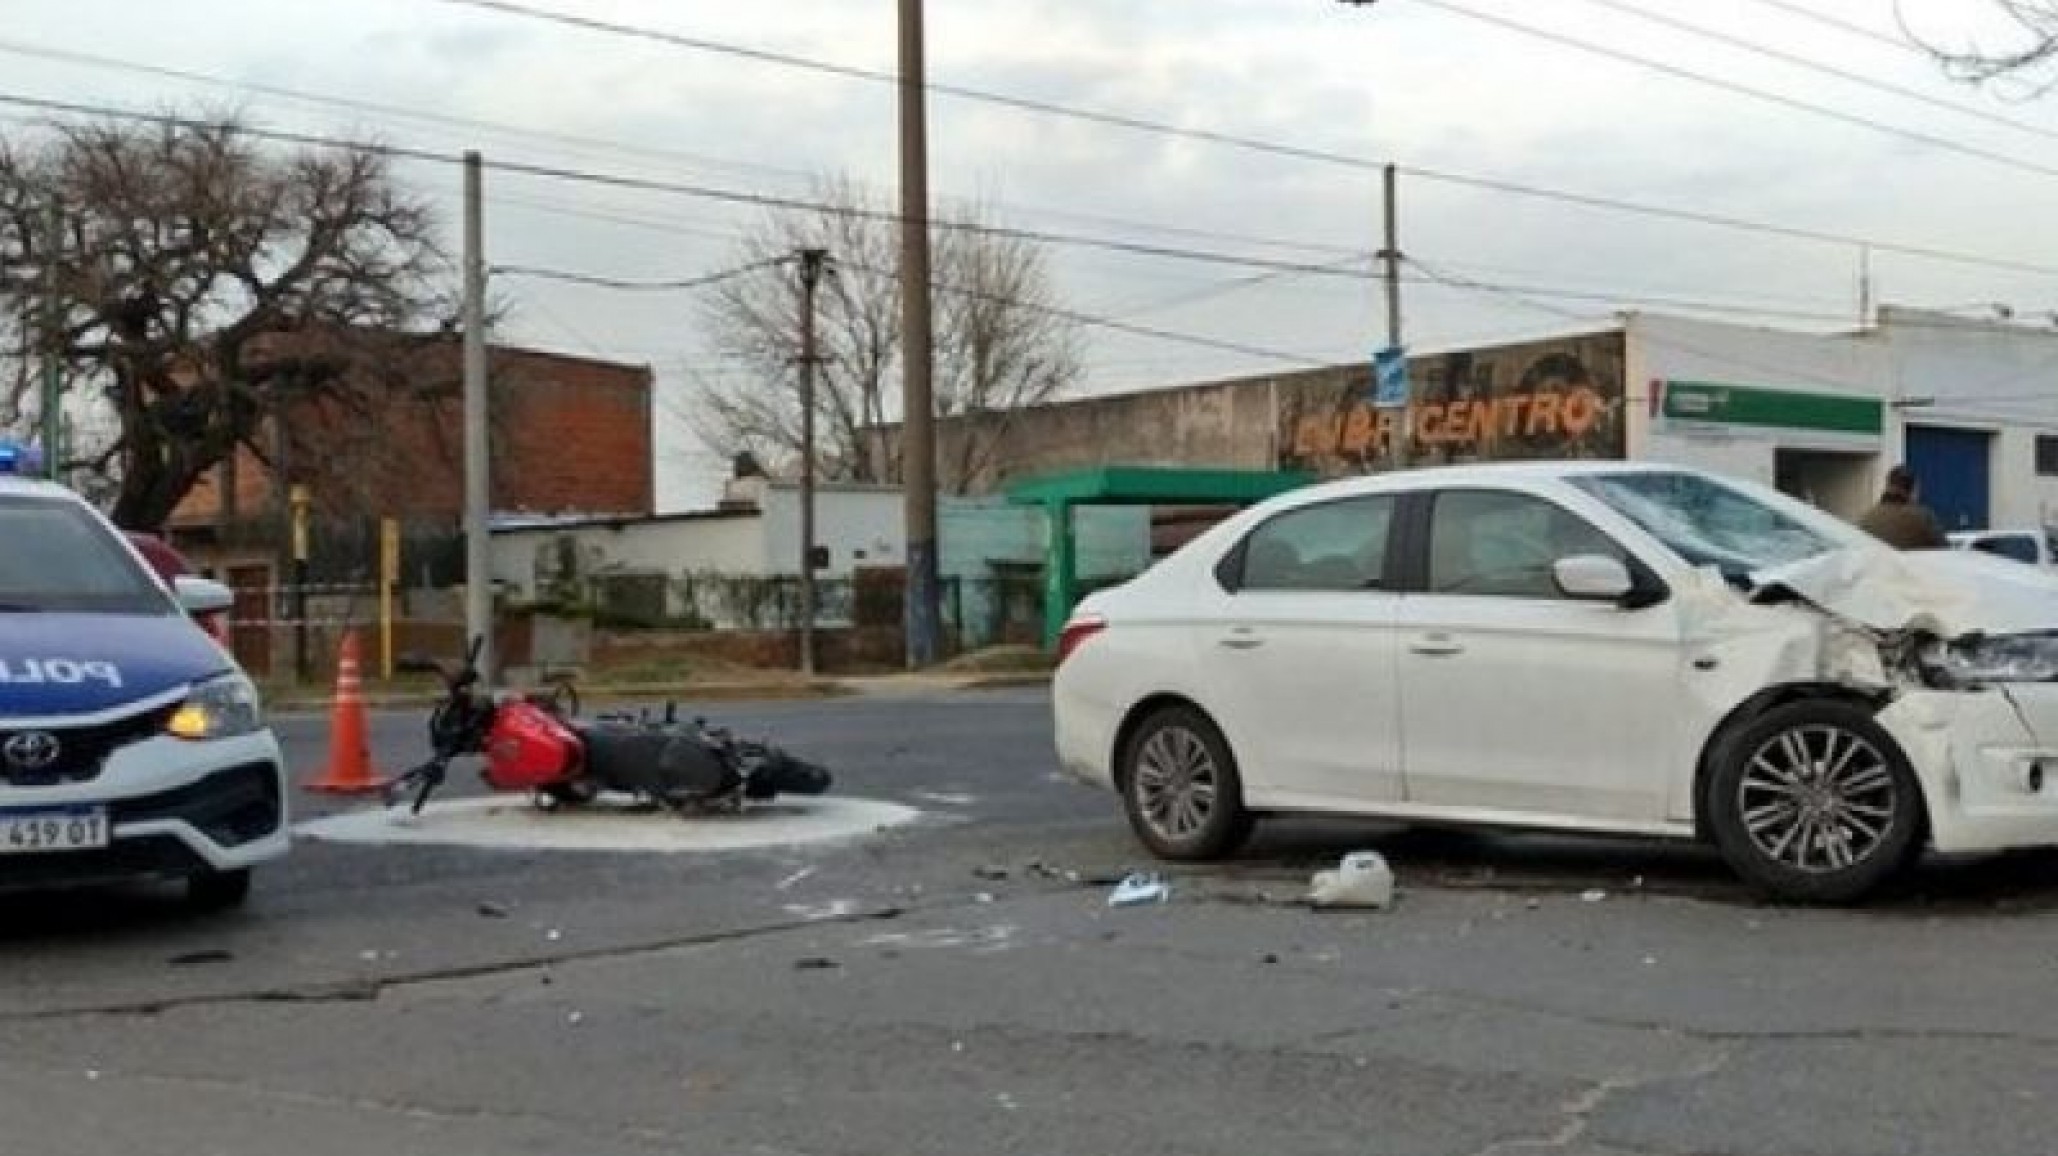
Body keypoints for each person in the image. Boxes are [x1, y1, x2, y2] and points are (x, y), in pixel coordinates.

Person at [1857, 465, 1948, 550]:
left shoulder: (1867, 517)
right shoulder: (1922, 517)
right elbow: (1944, 549)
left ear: (1887, 486)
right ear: (1913, 491)